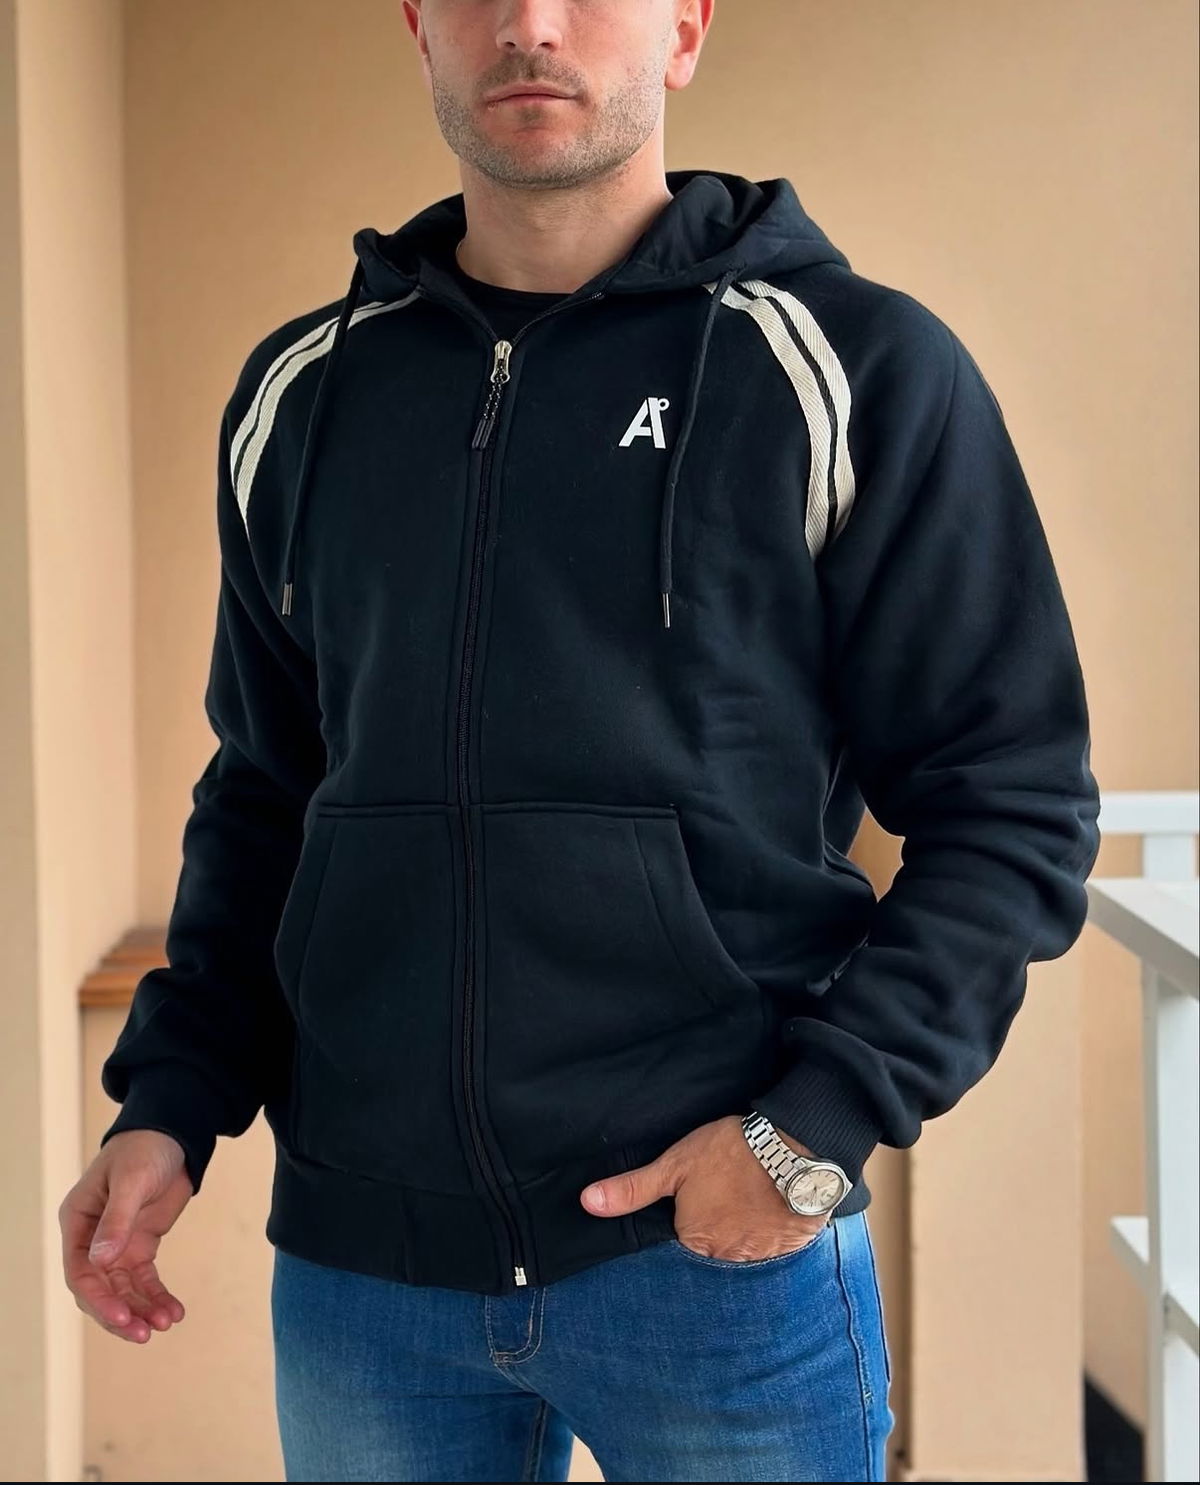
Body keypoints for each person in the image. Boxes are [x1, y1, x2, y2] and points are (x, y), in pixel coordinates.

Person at [59, 2, 1102, 1481]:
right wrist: (170, 1103)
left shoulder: (851, 366)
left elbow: (1013, 802)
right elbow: (268, 795)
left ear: (685, 27)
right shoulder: (304, 396)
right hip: (370, 1278)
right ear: (419, 29)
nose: (530, 25)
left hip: (714, 1258)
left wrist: (811, 1127)